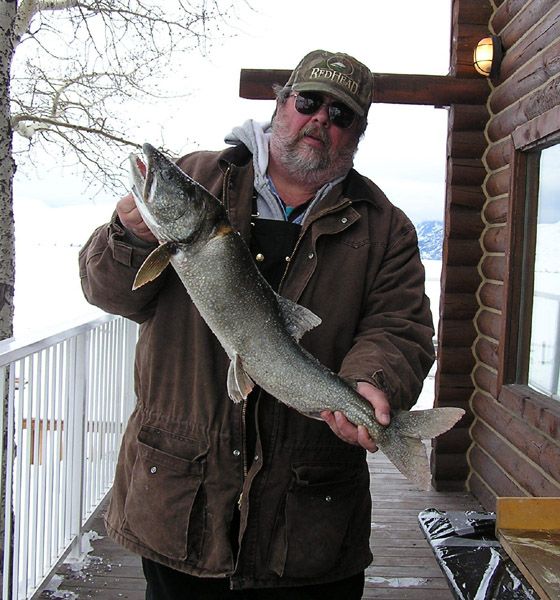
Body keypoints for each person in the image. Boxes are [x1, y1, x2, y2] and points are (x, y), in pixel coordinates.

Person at [79, 49, 435, 599]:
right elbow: (106, 291)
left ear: (358, 134)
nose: (321, 119)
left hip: (311, 520)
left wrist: (373, 383)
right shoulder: (198, 179)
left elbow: (401, 327)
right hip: (184, 505)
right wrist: (129, 237)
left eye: (341, 116)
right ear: (280, 103)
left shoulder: (384, 227)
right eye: (308, 102)